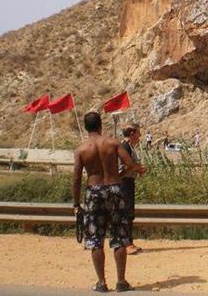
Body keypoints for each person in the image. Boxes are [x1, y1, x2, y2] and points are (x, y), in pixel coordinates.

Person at [72, 112, 145, 293]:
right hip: (114, 189)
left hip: (93, 191)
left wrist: (75, 203)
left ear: (86, 127)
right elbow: (130, 163)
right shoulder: (112, 143)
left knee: (95, 239)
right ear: (100, 126)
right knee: (120, 236)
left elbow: (75, 179)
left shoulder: (81, 149)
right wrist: (119, 176)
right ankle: (121, 281)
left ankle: (101, 282)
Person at [119, 124, 143, 255]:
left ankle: (129, 242)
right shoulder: (124, 147)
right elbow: (122, 168)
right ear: (132, 133)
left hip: (128, 182)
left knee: (129, 213)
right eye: (138, 133)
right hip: (124, 183)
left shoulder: (129, 147)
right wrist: (136, 168)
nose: (140, 136)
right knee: (126, 213)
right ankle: (126, 244)